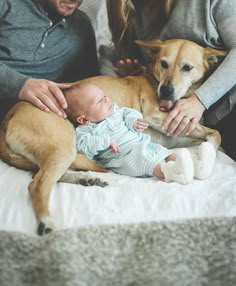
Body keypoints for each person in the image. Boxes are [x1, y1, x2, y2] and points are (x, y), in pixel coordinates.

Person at [98, 0, 236, 161]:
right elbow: (115, 56)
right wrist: (147, 71)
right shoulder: (134, 9)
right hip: (184, 114)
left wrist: (200, 100)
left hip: (228, 106)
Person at [64, 82, 217, 184]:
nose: (107, 100)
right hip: (123, 158)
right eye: (99, 102)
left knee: (163, 152)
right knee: (149, 162)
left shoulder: (115, 110)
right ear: (83, 120)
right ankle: (171, 173)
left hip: (141, 143)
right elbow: (83, 147)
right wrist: (104, 141)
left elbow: (128, 113)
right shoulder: (85, 131)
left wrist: (134, 121)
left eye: (105, 97)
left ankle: (198, 167)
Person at [0, 0, 99, 123]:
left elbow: (87, 86)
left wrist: (127, 76)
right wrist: (21, 84)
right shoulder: (6, 4)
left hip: (39, 121)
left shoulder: (81, 24)